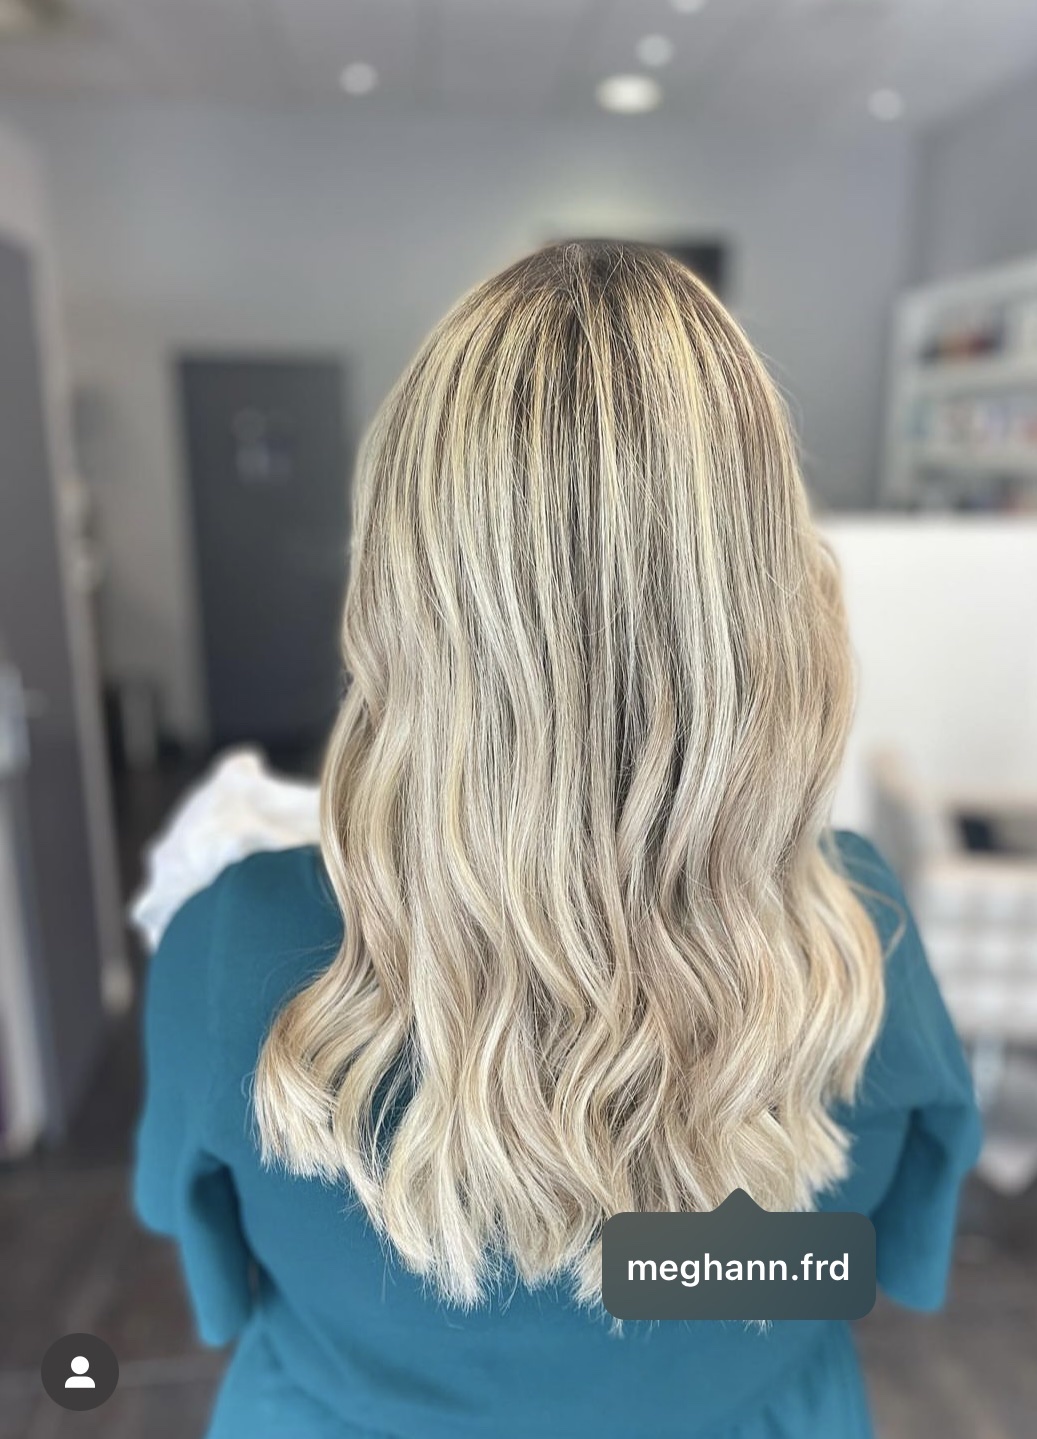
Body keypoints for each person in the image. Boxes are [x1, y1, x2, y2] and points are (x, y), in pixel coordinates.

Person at [134, 240, 981, 1439]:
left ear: (399, 593)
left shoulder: (234, 951)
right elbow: (862, 1264)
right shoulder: (862, 940)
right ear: (777, 600)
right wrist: (646, 1267)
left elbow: (221, 1284)